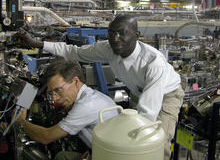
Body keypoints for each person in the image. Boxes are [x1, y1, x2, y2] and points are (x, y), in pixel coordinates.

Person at [17, 14, 184, 160]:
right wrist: (38, 44)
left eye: (122, 33)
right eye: (111, 33)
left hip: (166, 96)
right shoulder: (108, 48)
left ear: (136, 35)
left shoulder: (154, 64)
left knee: (152, 145)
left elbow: (147, 115)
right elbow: (74, 52)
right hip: (138, 91)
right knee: (131, 139)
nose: (115, 38)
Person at [15, 60, 118, 160]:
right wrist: (27, 93)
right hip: (101, 151)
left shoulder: (87, 105)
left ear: (76, 81)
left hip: (108, 156)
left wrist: (21, 122)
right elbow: (32, 86)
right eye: (51, 92)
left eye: (58, 90)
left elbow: (45, 137)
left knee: (61, 156)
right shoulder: (89, 95)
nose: (55, 98)